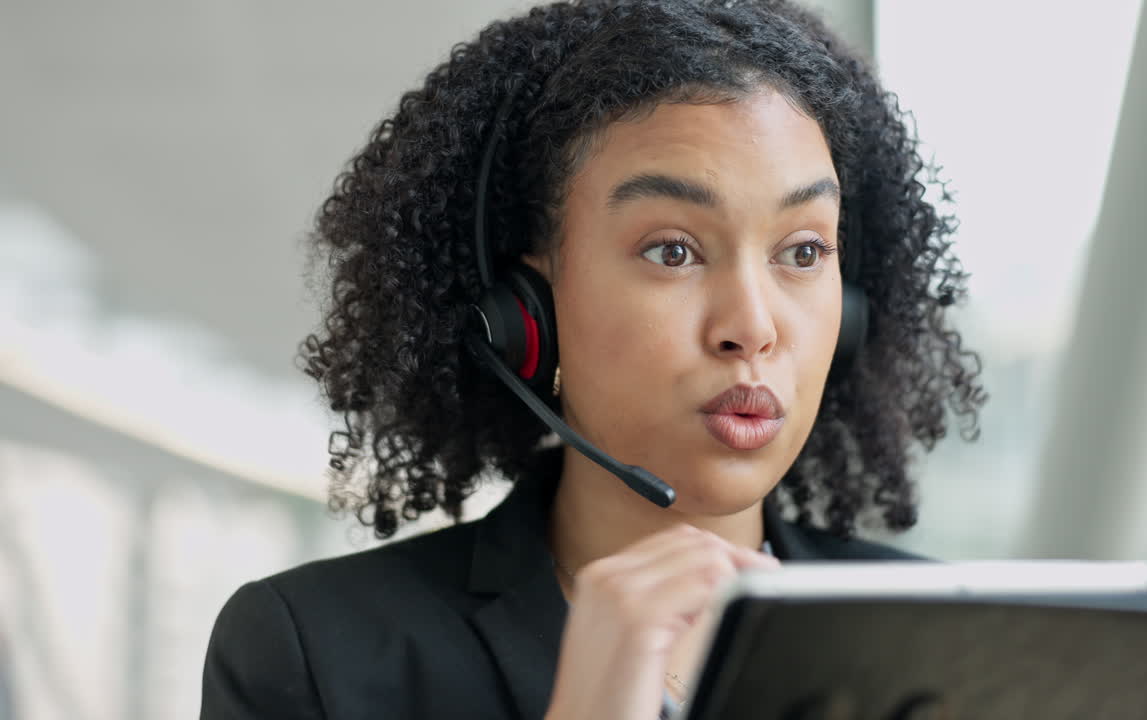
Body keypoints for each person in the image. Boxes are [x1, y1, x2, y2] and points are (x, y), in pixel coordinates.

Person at [199, 0, 985, 718]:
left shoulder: (950, 640)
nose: (752, 326)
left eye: (804, 250)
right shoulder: (315, 656)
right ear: (529, 314)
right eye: (672, 250)